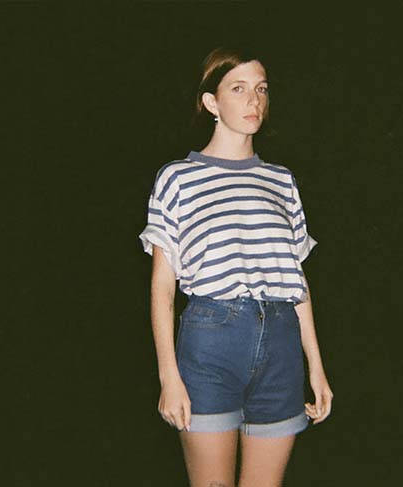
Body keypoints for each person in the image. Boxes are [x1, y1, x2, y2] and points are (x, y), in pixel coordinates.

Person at [139, 46, 333, 487]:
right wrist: (169, 376)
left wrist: (317, 368)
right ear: (212, 102)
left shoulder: (281, 180)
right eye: (238, 89)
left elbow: (296, 280)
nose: (254, 101)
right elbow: (162, 286)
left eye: (261, 89)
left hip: (281, 342)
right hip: (211, 341)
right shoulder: (178, 177)